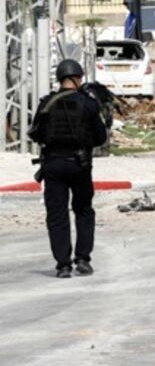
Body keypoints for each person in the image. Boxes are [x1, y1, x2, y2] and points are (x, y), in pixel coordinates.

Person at [30, 59, 108, 278]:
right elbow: (101, 137)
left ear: (60, 79)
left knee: (57, 215)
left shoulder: (46, 104)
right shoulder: (89, 103)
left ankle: (63, 265)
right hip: (79, 165)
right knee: (83, 210)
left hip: (53, 165)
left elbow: (36, 133)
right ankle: (82, 259)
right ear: (78, 78)